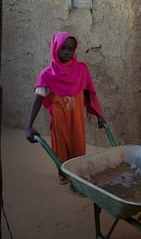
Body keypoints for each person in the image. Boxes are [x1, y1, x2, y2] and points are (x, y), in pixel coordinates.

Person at [26, 32, 106, 186]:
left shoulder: (81, 70)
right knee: (60, 145)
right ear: (55, 48)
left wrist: (99, 115)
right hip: (59, 117)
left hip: (76, 117)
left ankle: (77, 173)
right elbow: (38, 99)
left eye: (70, 49)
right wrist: (29, 126)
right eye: (63, 48)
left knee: (77, 144)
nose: (67, 52)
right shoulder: (47, 75)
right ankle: (61, 171)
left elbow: (90, 95)